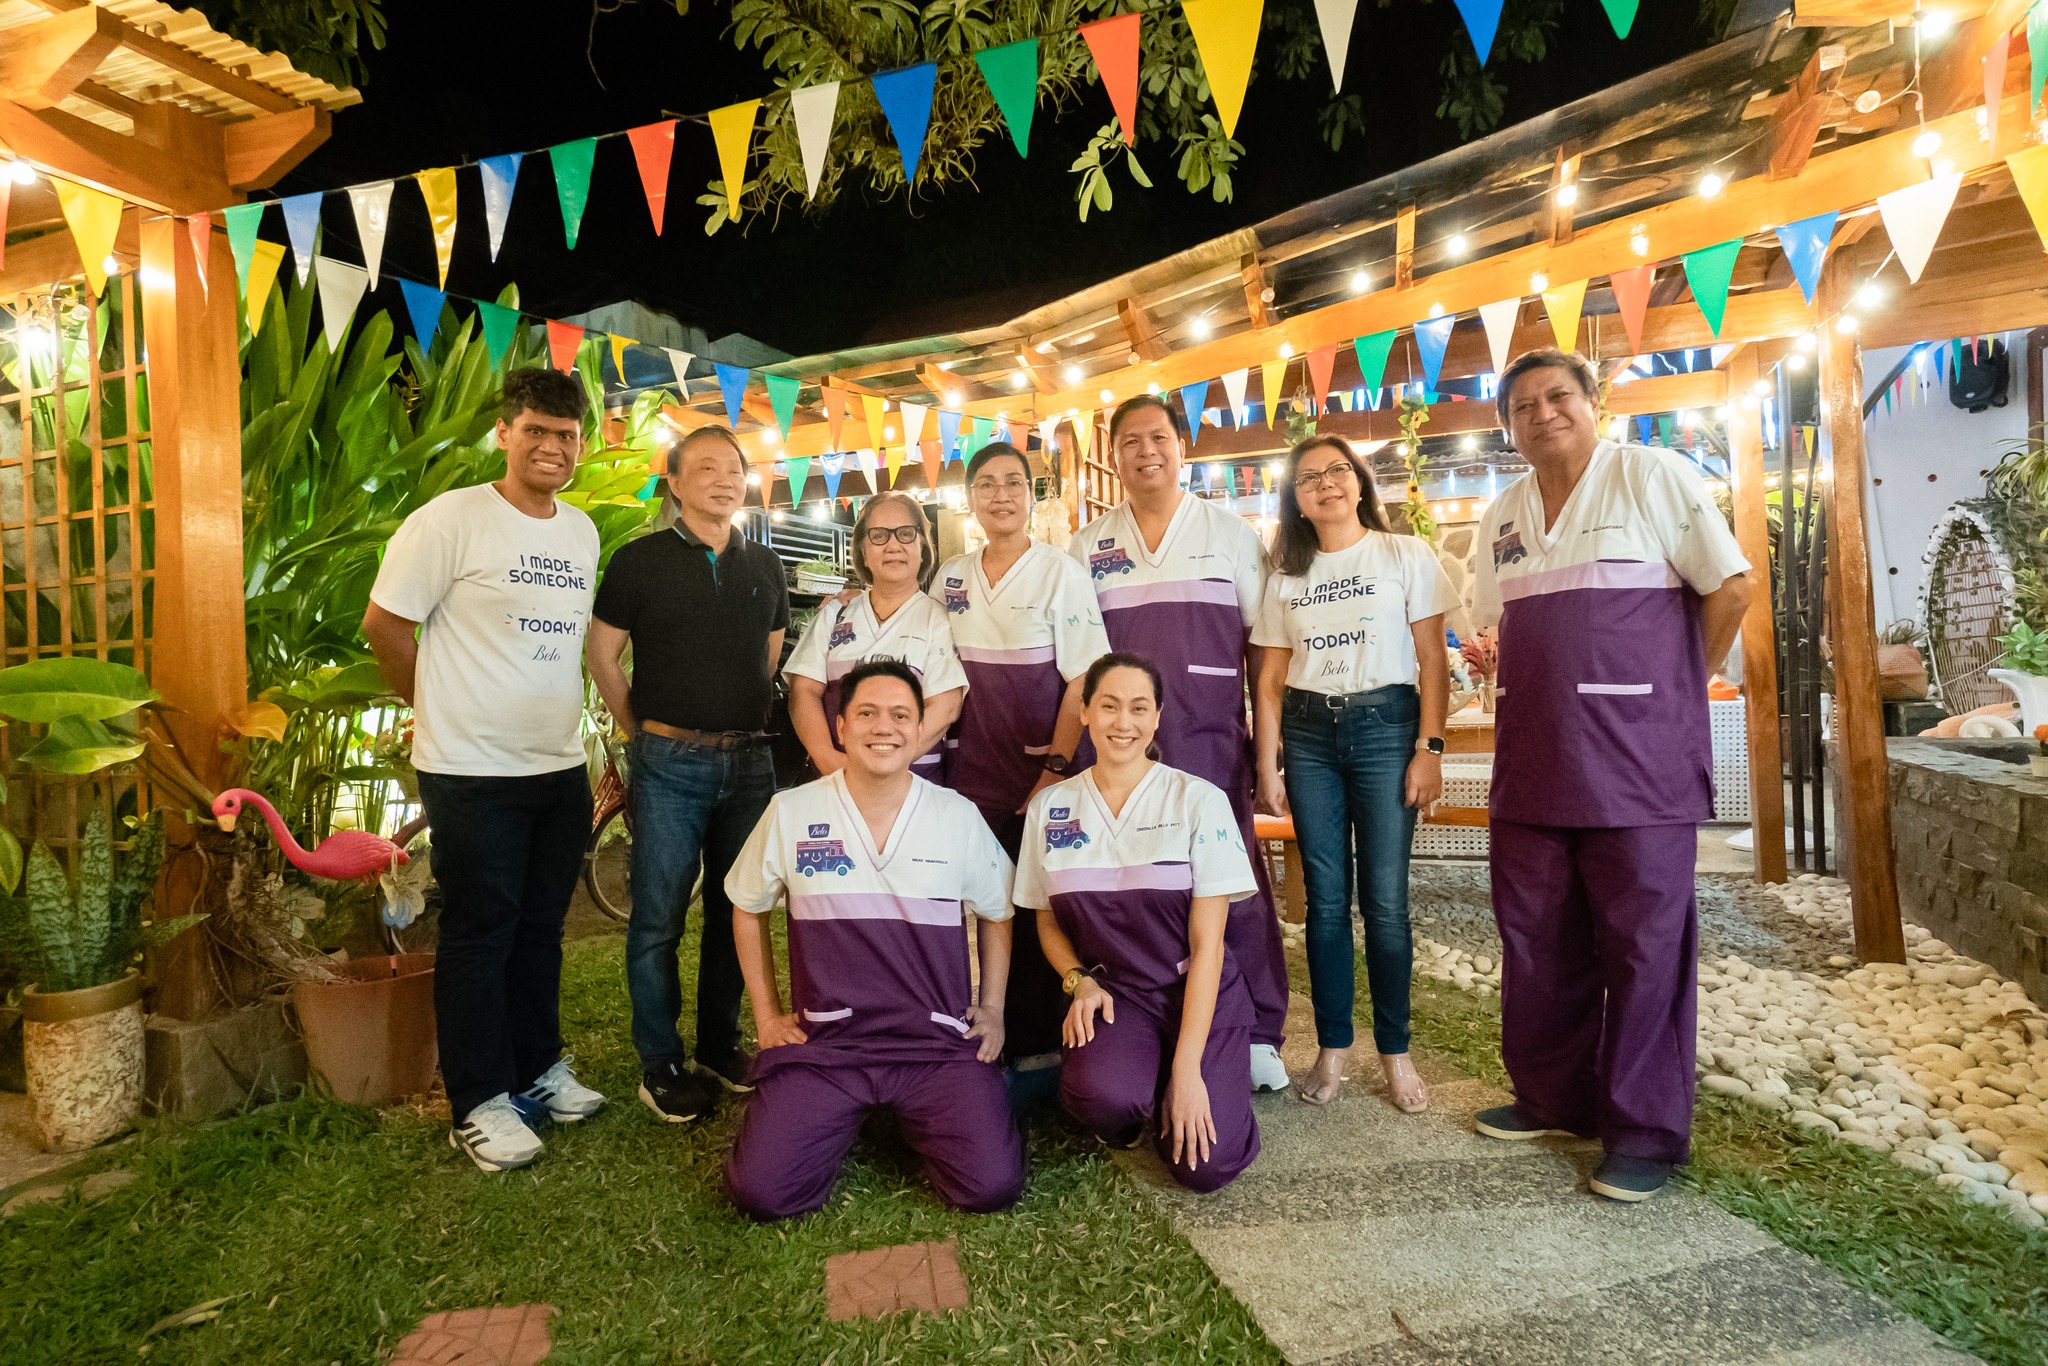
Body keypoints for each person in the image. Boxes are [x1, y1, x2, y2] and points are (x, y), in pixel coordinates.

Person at [1472, 347, 1752, 1203]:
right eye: (1523, 406)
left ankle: (1644, 1133)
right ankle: (1553, 1099)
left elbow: (1731, 589)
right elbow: (1495, 625)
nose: (1542, 414)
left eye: (1558, 396)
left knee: (1643, 946)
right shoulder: (1502, 514)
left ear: (1595, 403)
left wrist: (1675, 689)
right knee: (1536, 938)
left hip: (1637, 765)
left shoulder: (1650, 476)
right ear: (1508, 427)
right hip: (1532, 762)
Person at [363, 368, 607, 1172]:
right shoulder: (451, 520)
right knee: (480, 929)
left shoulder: (580, 532)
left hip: (557, 765)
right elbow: (385, 625)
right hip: (471, 770)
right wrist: (434, 706)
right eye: (536, 430)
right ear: (505, 433)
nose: (552, 447)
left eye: (566, 435)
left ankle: (537, 1069)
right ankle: (477, 1101)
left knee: (541, 926)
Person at [723, 660, 1025, 1220]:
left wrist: (993, 1009)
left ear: (920, 729)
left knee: (992, 1186)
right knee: (761, 1193)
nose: (883, 727)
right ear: (840, 727)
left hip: (934, 1045)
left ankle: (924, 1110)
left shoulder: (956, 816)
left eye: (900, 715)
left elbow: (998, 912)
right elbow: (747, 906)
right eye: (867, 713)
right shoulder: (792, 811)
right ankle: (861, 1112)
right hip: (829, 1047)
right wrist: (766, 1016)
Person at [1070, 394, 1291, 1093]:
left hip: (1210, 738)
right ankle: (1145, 1017)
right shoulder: (1088, 546)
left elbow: (1265, 651)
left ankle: (1258, 1029)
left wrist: (1265, 754)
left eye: (1158, 438)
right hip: (1118, 751)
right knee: (1134, 881)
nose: (1146, 452)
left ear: (1182, 446)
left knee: (1233, 880)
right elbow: (1076, 658)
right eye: (1130, 441)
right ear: (1113, 456)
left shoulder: (1230, 535)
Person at [586, 425, 789, 1125]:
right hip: (669, 763)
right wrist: (640, 731)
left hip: (750, 762)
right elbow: (603, 655)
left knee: (738, 909)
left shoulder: (765, 564)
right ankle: (660, 1063)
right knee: (658, 917)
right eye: (705, 468)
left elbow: (768, 656)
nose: (724, 479)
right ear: (674, 482)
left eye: (734, 468)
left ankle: (718, 1046)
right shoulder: (638, 561)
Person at [1251, 434, 1456, 1110]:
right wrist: (1267, 762)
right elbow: (1271, 679)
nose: (1326, 484)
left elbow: (1432, 657)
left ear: (1361, 481)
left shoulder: (1404, 554)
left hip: (1387, 730)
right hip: (1309, 735)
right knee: (1325, 903)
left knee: (1387, 902)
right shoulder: (1286, 575)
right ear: (1296, 500)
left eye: (1338, 470)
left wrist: (1430, 748)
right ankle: (1333, 1046)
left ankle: (1396, 1051)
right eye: (1309, 478)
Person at [1015, 652, 1262, 1191]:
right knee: (1100, 1099)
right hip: (1118, 995)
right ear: (1084, 711)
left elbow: (1209, 945)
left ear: (1156, 717)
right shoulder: (1050, 809)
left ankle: (1192, 1070)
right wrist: (1079, 981)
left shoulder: (1198, 800)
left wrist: (1188, 1072)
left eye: (1138, 708)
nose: (1122, 722)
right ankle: (1139, 1089)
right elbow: (1046, 920)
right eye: (1108, 706)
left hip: (1197, 990)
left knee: (1205, 1168)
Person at [935, 442, 1110, 1068]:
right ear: (970, 498)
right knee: (977, 898)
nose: (1000, 495)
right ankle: (969, 1023)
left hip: (1042, 770)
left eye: (1014, 482)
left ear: (1031, 497)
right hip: (971, 769)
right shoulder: (950, 577)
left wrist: (1053, 770)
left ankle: (1038, 1044)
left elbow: (1082, 680)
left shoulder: (1062, 572)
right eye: (986, 484)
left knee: (1038, 899)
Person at [786, 491, 965, 784]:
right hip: (833, 779)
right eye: (879, 536)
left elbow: (946, 707)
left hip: (914, 782)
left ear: (922, 546)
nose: (893, 545)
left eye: (906, 534)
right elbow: (803, 691)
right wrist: (828, 759)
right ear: (863, 551)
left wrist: (883, 767)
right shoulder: (836, 613)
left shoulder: (939, 619)